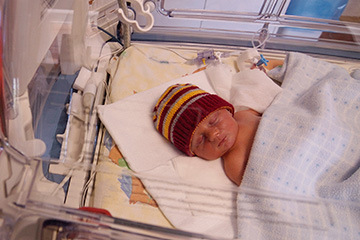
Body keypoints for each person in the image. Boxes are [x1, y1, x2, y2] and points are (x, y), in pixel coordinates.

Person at [153, 83, 261, 186]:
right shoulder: (234, 165)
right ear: (195, 153)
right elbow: (261, 184)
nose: (213, 135)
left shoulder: (244, 114)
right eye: (200, 140)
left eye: (214, 121)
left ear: (227, 110)